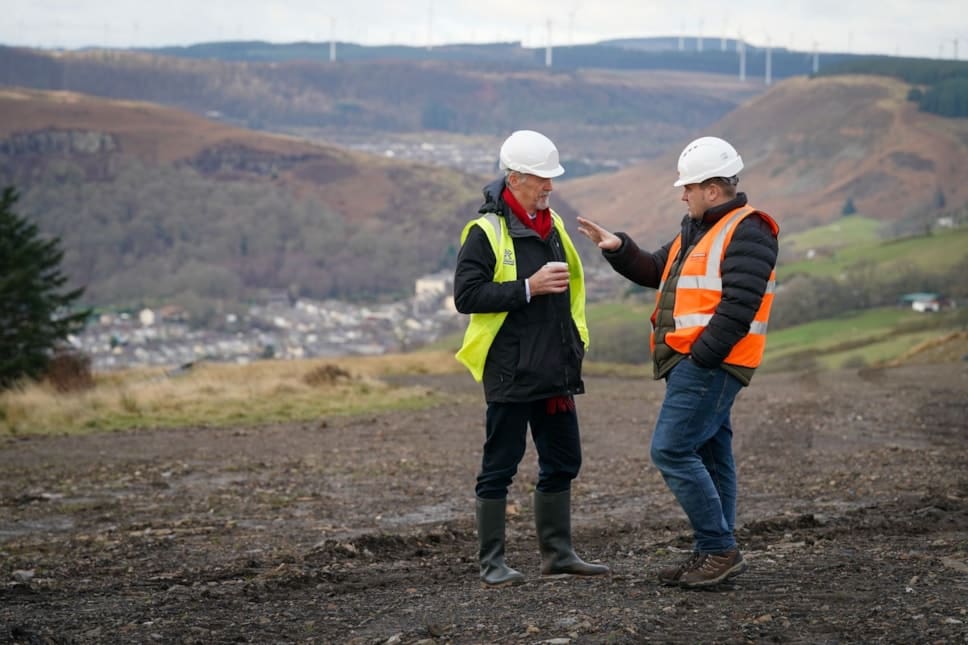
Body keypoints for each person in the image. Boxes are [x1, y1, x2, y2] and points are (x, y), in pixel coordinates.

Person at [576, 136, 779, 589]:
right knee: (711, 456)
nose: (682, 195)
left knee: (670, 450)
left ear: (712, 189)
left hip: (709, 364)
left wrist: (701, 357)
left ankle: (719, 549)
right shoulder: (697, 228)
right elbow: (655, 270)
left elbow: (739, 306)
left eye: (688, 187)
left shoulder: (749, 230)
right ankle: (714, 551)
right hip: (695, 362)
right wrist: (617, 247)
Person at [453, 129, 610, 587]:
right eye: (542, 178)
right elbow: (466, 296)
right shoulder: (485, 232)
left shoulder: (552, 224)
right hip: (510, 370)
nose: (550, 186)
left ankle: (557, 556)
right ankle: (492, 564)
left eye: (551, 177)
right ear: (515, 178)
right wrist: (528, 287)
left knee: (564, 461)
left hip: (554, 369)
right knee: (499, 467)